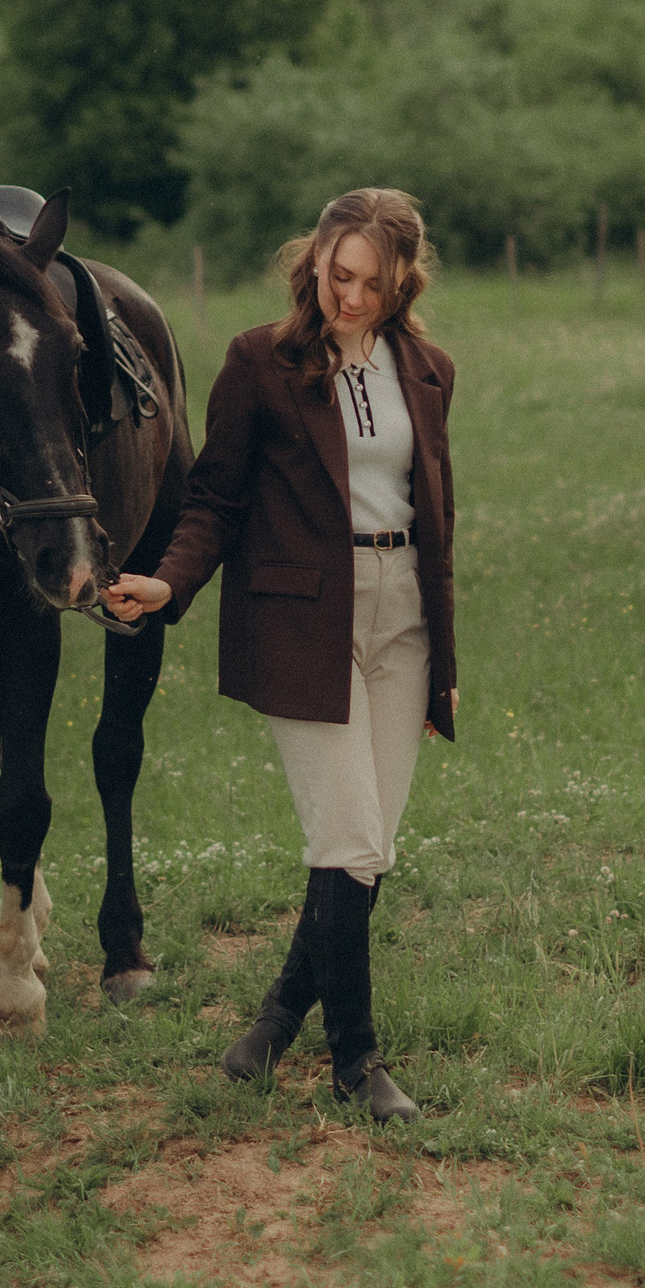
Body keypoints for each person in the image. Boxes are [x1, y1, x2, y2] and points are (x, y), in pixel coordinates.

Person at [105, 188, 457, 1123]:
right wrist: (168, 583)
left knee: (365, 853)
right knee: (349, 838)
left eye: (373, 284)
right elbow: (215, 499)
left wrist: (447, 663)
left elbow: (439, 518)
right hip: (303, 620)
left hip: (403, 619)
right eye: (340, 275)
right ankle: (356, 1061)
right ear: (315, 261)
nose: (352, 297)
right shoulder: (260, 362)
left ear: (401, 285)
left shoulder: (428, 370)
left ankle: (272, 1024)